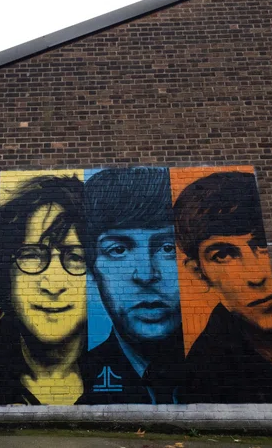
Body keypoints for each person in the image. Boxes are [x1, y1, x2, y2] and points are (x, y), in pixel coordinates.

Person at [174, 171, 272, 404]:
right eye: (224, 255)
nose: (256, 276)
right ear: (199, 273)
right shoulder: (201, 375)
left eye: (263, 243)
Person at [80, 167, 185, 405]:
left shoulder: (232, 369)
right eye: (118, 250)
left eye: (168, 248)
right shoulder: (78, 381)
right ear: (92, 267)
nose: (146, 274)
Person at [0, 175, 87, 405]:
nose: (53, 285)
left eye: (75, 257)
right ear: (7, 273)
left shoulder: (130, 377)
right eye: (32, 255)